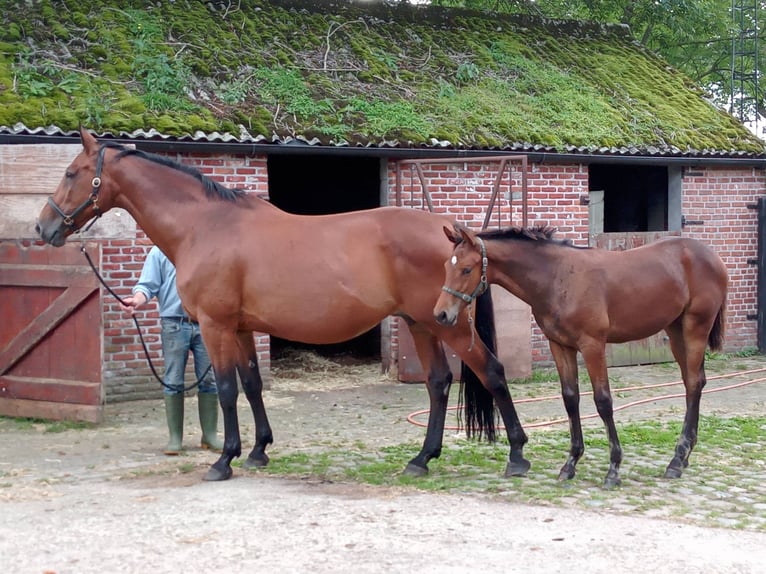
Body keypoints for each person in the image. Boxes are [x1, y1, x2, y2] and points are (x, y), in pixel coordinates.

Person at [120, 245, 224, 455]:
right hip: (173, 323)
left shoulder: (205, 248)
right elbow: (147, 286)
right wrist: (136, 301)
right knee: (173, 380)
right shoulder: (159, 252)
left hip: (204, 322)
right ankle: (175, 439)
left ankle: (210, 436)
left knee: (209, 379)